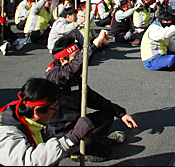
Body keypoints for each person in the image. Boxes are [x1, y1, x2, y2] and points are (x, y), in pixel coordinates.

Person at [0, 77, 95, 166]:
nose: (55, 112)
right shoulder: (3, 135)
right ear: (37, 111)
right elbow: (30, 161)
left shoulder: (24, 115)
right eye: (54, 108)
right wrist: (72, 138)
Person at [45, 32, 138, 163]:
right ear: (62, 60)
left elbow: (93, 99)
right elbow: (74, 67)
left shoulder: (74, 78)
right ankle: (83, 147)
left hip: (76, 124)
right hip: (60, 133)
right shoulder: (54, 77)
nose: (79, 59)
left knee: (106, 117)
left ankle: (84, 146)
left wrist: (121, 113)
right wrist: (95, 44)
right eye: (75, 56)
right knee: (101, 149)